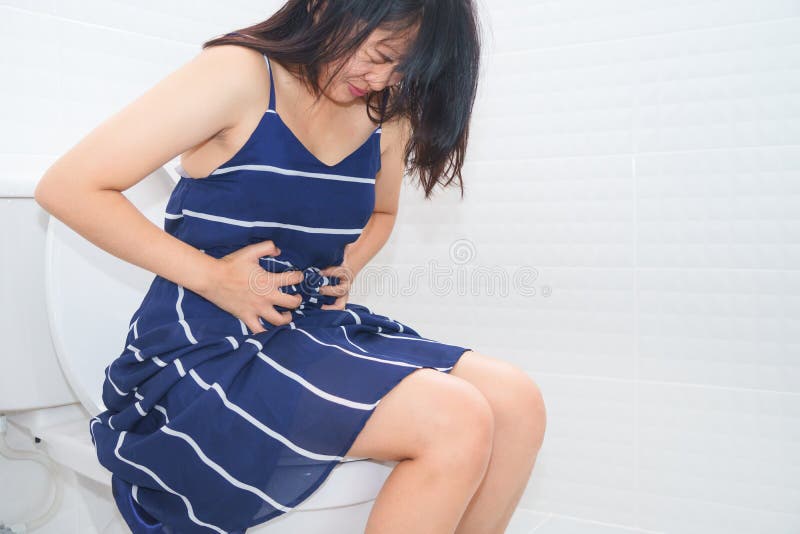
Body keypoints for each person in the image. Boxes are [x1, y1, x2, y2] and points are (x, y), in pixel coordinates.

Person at [33, 1, 546, 532]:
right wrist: (216, 278)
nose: (383, 79)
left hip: (311, 331)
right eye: (382, 54)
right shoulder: (240, 74)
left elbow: (383, 212)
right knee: (453, 419)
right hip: (209, 348)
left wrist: (347, 266)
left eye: (403, 67)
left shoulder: (383, 111)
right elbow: (68, 185)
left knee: (516, 402)